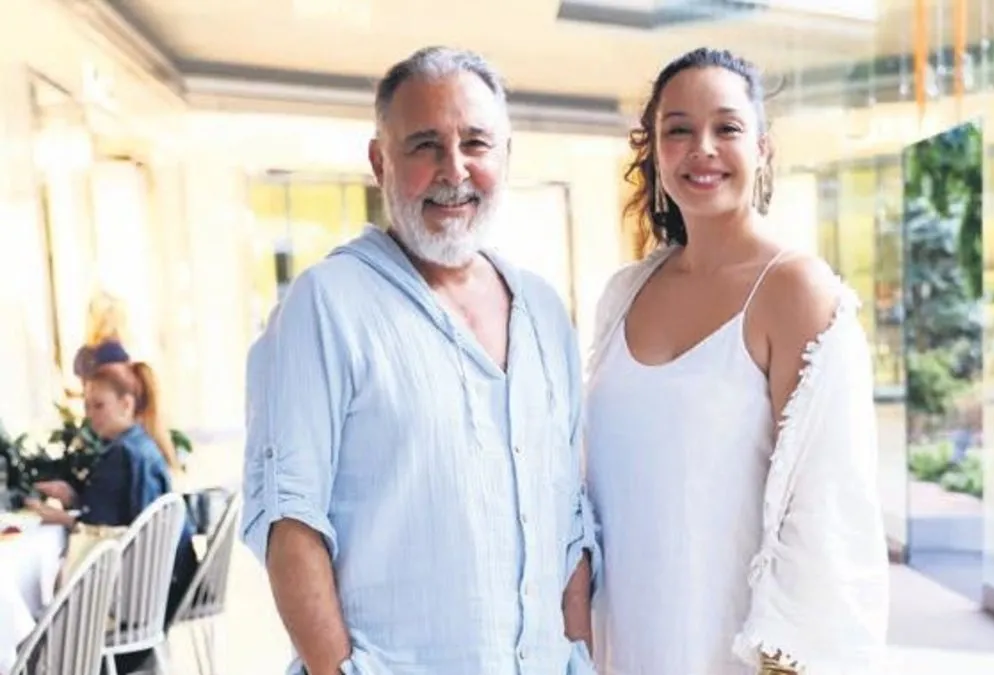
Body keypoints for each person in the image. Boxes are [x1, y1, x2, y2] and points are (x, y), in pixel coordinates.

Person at [240, 46, 599, 675]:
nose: (453, 170)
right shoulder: (326, 304)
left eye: (475, 143)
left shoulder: (545, 313)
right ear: (380, 161)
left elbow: (570, 520)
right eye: (425, 145)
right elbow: (287, 520)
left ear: (506, 155)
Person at [584, 48, 889, 675]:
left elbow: (830, 511)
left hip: (736, 653)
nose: (702, 148)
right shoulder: (624, 294)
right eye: (678, 130)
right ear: (654, 152)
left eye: (726, 127)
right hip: (628, 644)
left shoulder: (795, 290)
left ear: (763, 149)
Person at [26, 361, 199, 673]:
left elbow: (101, 532)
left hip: (133, 604)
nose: (90, 415)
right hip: (165, 589)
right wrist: (73, 498)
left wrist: (58, 517)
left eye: (99, 405)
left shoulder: (122, 454)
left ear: (126, 403)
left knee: (32, 628)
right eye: (87, 406)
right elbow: (126, 519)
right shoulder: (142, 445)